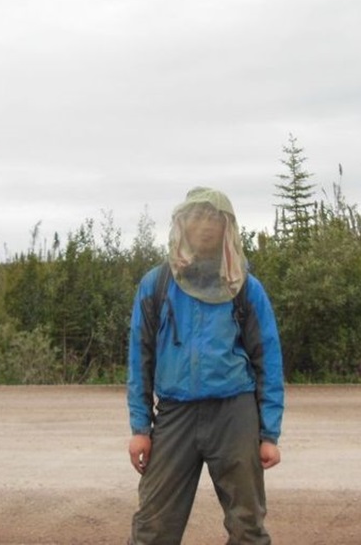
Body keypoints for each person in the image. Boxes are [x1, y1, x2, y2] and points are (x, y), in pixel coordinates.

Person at [127, 187, 285, 544]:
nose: (206, 226)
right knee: (152, 527)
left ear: (228, 227)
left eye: (215, 218)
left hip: (235, 413)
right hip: (174, 415)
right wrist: (140, 427)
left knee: (247, 526)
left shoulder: (245, 287)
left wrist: (269, 433)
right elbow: (140, 357)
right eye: (198, 217)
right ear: (182, 224)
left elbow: (268, 360)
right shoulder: (156, 284)